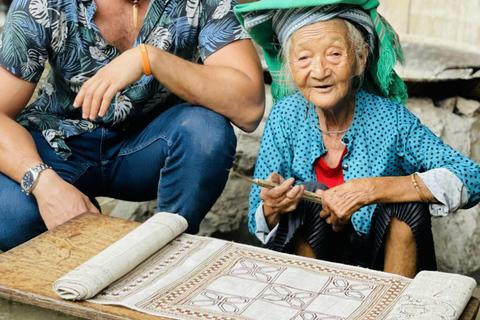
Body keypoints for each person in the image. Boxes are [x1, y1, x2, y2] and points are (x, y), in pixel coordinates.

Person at [234, 0, 480, 277]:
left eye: (335, 54)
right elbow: (258, 218)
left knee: (408, 206)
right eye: (304, 58)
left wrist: (371, 190)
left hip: (380, 260)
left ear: (360, 60)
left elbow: (472, 176)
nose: (319, 71)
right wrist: (273, 207)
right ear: (290, 66)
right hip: (313, 260)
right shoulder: (285, 116)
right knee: (306, 195)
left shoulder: (390, 118)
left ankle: (395, 309)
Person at [0, 0, 265, 252]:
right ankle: (89, 260)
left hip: (151, 146)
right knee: (14, 218)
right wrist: (44, 184)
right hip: (59, 145)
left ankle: (166, 251)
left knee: (207, 131)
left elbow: (249, 107)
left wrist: (150, 60)